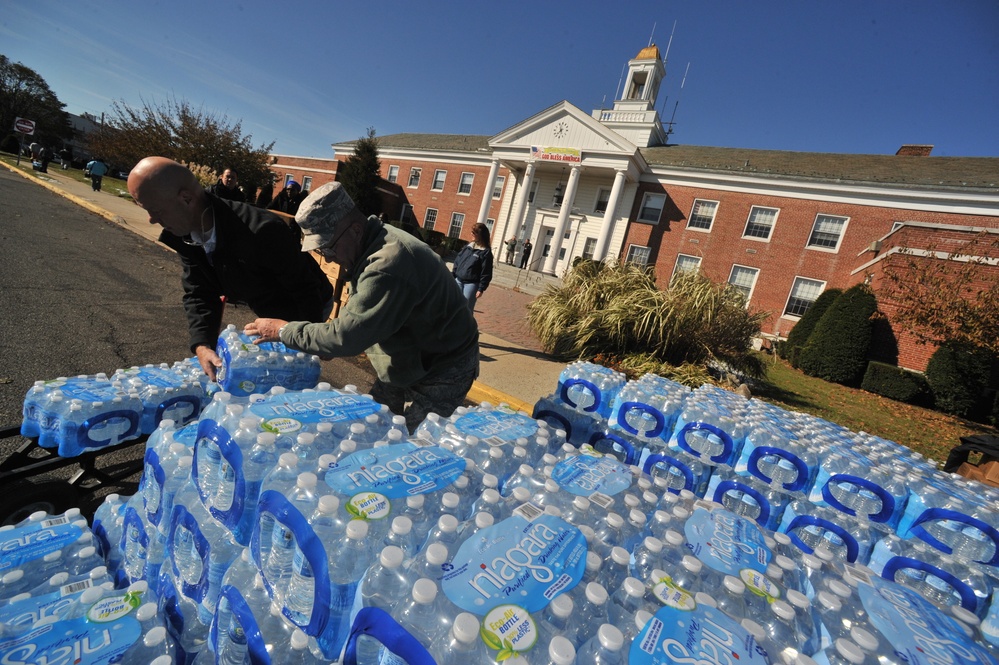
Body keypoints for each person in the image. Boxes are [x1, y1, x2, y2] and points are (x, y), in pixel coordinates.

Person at [244, 182, 480, 432]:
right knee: (372, 426)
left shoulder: (386, 264)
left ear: (355, 230)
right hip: (408, 357)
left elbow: (346, 337)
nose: (328, 256)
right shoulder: (370, 243)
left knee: (414, 444)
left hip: (444, 366)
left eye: (327, 246)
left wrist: (283, 331)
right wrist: (332, 338)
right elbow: (355, 318)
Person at [127, 157, 334, 381]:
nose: (151, 220)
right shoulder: (187, 234)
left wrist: (310, 340)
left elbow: (305, 288)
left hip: (308, 300)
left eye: (156, 210)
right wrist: (202, 344)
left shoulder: (262, 231)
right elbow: (199, 290)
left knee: (291, 371)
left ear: (186, 199)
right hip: (264, 296)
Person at [452, 223, 494, 312]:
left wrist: (481, 288)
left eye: (474, 233)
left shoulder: (485, 252)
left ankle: (466, 326)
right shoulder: (468, 247)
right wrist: (453, 274)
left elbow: (486, 272)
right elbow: (458, 261)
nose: (471, 234)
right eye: (472, 232)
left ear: (481, 235)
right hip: (458, 280)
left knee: (466, 309)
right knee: (454, 306)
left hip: (471, 284)